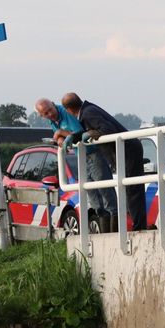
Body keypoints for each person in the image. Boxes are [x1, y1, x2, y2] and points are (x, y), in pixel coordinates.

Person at [61, 92, 148, 232]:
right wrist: (75, 136)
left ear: (68, 110)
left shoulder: (88, 113)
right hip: (126, 150)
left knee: (133, 190)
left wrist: (92, 133)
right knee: (130, 189)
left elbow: (108, 130)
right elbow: (95, 128)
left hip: (128, 151)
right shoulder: (88, 110)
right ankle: (138, 226)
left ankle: (140, 228)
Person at [34, 98, 117, 230]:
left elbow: (79, 133)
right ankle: (104, 233)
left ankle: (114, 232)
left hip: (94, 154)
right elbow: (63, 137)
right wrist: (60, 137)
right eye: (45, 113)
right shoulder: (53, 121)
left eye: (50, 110)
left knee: (106, 193)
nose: (50, 114)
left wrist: (60, 133)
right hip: (81, 156)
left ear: (53, 104)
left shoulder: (65, 112)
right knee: (94, 198)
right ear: (42, 115)